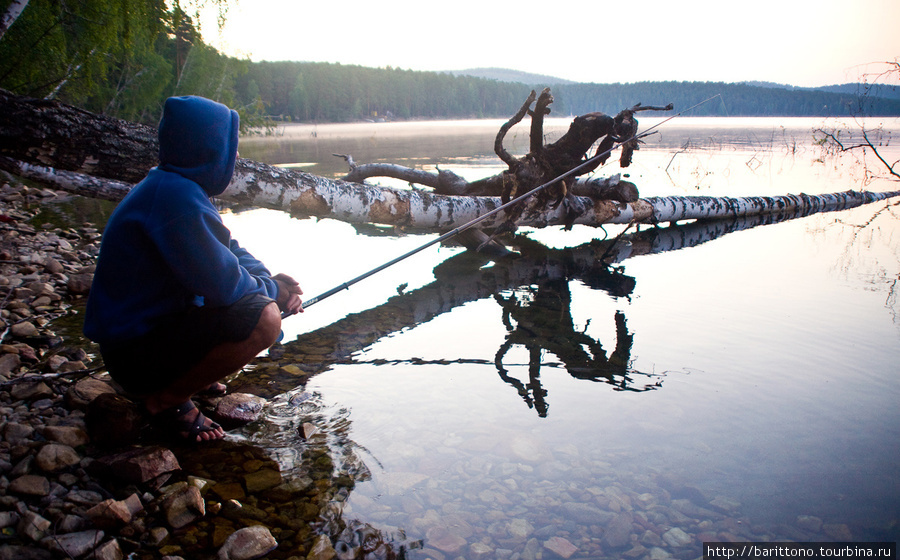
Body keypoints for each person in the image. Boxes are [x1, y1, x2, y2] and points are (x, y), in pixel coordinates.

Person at [83, 95, 303, 443]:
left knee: (258, 300)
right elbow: (224, 285)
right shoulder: (176, 199)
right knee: (265, 319)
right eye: (230, 148)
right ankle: (165, 400)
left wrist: (272, 280)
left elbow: (229, 248)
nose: (233, 158)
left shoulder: (173, 186)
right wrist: (275, 294)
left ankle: (190, 374)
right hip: (134, 355)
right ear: (211, 150)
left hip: (139, 340)